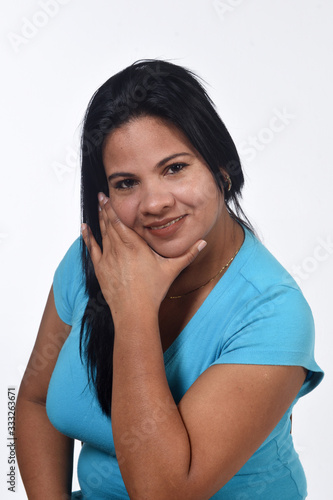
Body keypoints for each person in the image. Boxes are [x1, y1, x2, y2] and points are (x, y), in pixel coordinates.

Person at [16, 59, 323, 500]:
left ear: (222, 167)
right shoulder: (96, 258)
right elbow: (30, 402)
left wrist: (134, 308)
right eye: (126, 183)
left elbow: (162, 493)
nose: (154, 202)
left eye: (175, 168)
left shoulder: (273, 314)